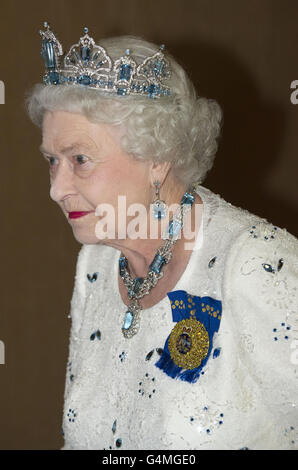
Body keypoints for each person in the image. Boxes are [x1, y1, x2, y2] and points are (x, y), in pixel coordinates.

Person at [25, 22, 298, 450]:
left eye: (79, 159)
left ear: (157, 158)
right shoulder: (97, 261)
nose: (56, 189)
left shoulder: (255, 265)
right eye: (51, 161)